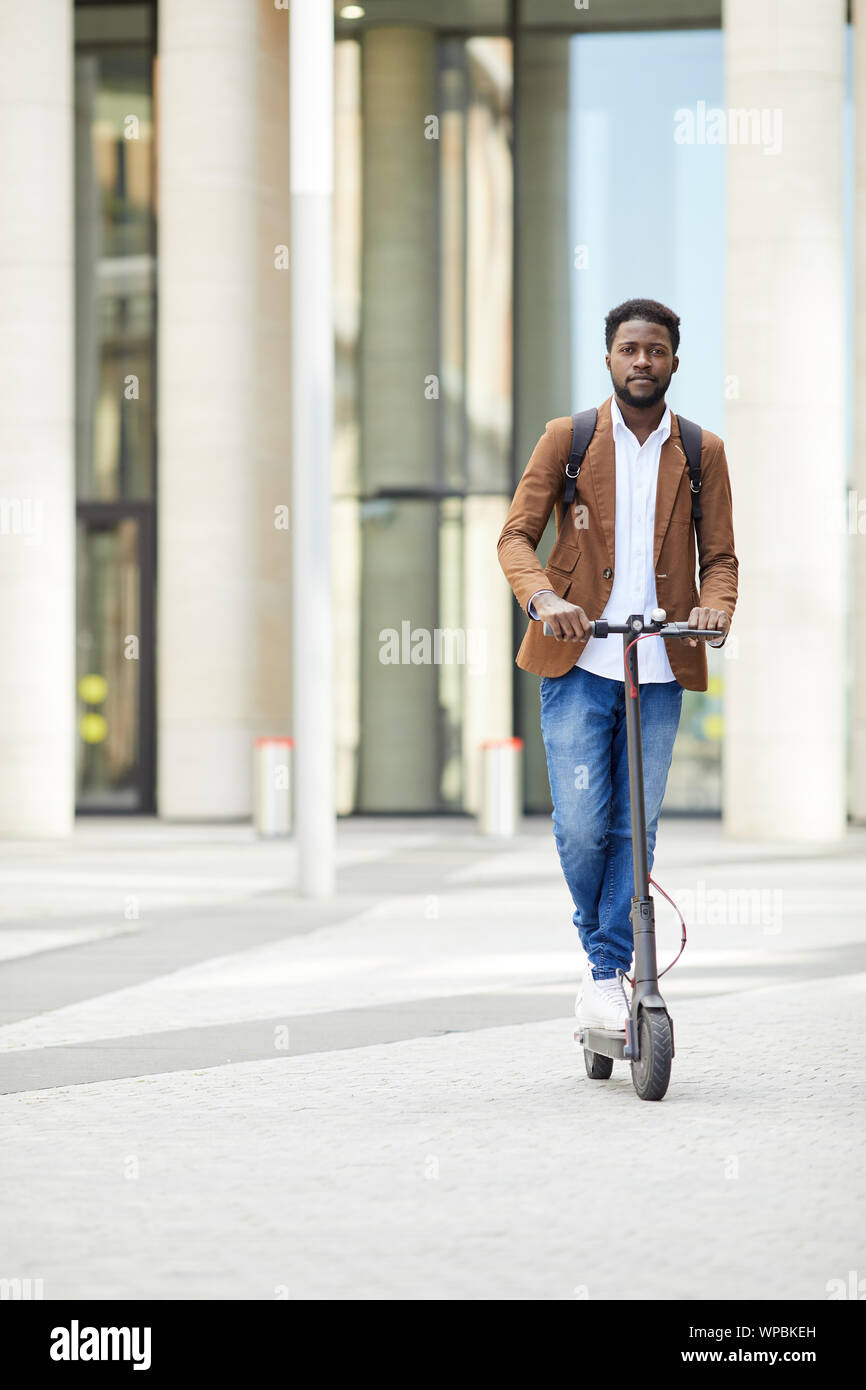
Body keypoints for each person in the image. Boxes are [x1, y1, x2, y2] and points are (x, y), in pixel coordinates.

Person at [497, 298, 738, 1031]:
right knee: (581, 826)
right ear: (609, 358)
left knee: (638, 829)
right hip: (578, 663)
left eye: (656, 350)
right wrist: (543, 600)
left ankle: (605, 972)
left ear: (673, 360)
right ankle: (604, 965)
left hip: (659, 666)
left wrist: (713, 607)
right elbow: (515, 538)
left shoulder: (702, 452)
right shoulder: (566, 440)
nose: (643, 361)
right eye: (630, 349)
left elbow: (721, 558)